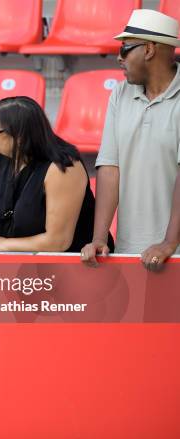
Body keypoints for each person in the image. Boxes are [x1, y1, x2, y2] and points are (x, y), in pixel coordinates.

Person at [0, 96, 114, 263]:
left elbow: (58, 241)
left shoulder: (63, 167)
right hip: (19, 263)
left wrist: (1, 244)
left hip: (73, 266)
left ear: (19, 136)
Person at [81, 9, 180, 271]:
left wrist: (169, 243)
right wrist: (100, 238)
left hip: (175, 252)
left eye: (125, 49)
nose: (119, 57)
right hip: (130, 248)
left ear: (148, 49)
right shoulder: (120, 93)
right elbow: (110, 167)